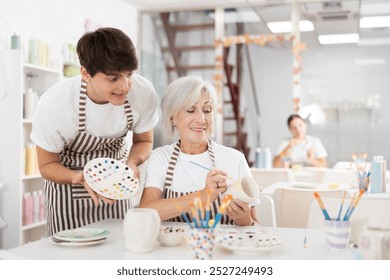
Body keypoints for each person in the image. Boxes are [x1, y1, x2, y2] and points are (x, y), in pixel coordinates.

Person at [31, 27, 159, 235]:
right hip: (68, 193)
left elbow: (144, 141)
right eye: (113, 78)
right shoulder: (55, 104)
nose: (125, 86)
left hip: (115, 188)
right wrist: (80, 177)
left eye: (129, 75)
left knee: (117, 253)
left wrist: (131, 163)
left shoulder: (143, 93)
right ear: (85, 73)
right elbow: (47, 164)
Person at [139, 76, 257, 226]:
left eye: (207, 110)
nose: (201, 119)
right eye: (191, 110)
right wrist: (202, 196)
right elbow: (146, 211)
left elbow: (257, 226)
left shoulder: (235, 159)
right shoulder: (161, 157)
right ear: (172, 117)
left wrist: (246, 221)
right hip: (173, 249)